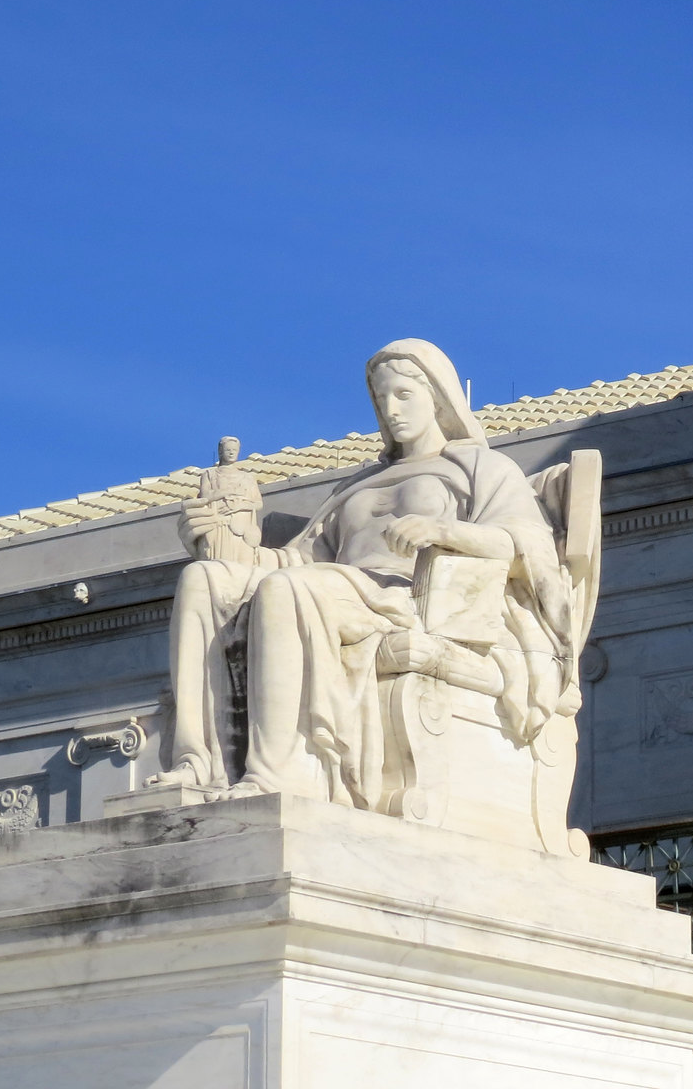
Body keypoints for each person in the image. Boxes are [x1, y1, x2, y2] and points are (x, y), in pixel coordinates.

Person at [147, 339, 569, 810]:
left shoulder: (480, 467)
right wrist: (221, 542)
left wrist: (443, 530)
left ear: (438, 396)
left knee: (288, 592)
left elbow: (524, 547)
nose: (391, 410)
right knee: (204, 579)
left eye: (404, 395)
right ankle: (198, 764)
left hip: (408, 600)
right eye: (381, 399)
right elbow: (298, 559)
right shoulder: (355, 484)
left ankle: (278, 772)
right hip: (337, 587)